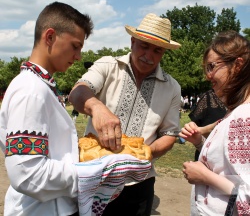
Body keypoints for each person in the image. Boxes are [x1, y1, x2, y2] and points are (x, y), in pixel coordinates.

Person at [69, 13, 182, 216]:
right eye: (144, 46)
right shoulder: (108, 65)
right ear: (132, 41)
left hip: (139, 183)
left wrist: (141, 156)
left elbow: (170, 134)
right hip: (95, 179)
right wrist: (96, 106)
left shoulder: (172, 87)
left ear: (164, 52)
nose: (149, 55)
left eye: (157, 50)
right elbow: (78, 91)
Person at [0, 1, 94, 216]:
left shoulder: (38, 85)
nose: (79, 56)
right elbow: (27, 174)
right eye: (75, 46)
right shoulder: (31, 90)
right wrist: (91, 172)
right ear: (50, 37)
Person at [179, 30, 250, 215]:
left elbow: (248, 198)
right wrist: (198, 142)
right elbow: (226, 168)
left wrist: (205, 177)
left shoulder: (243, 116)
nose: (208, 75)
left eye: (212, 66)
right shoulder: (235, 112)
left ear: (237, 66)